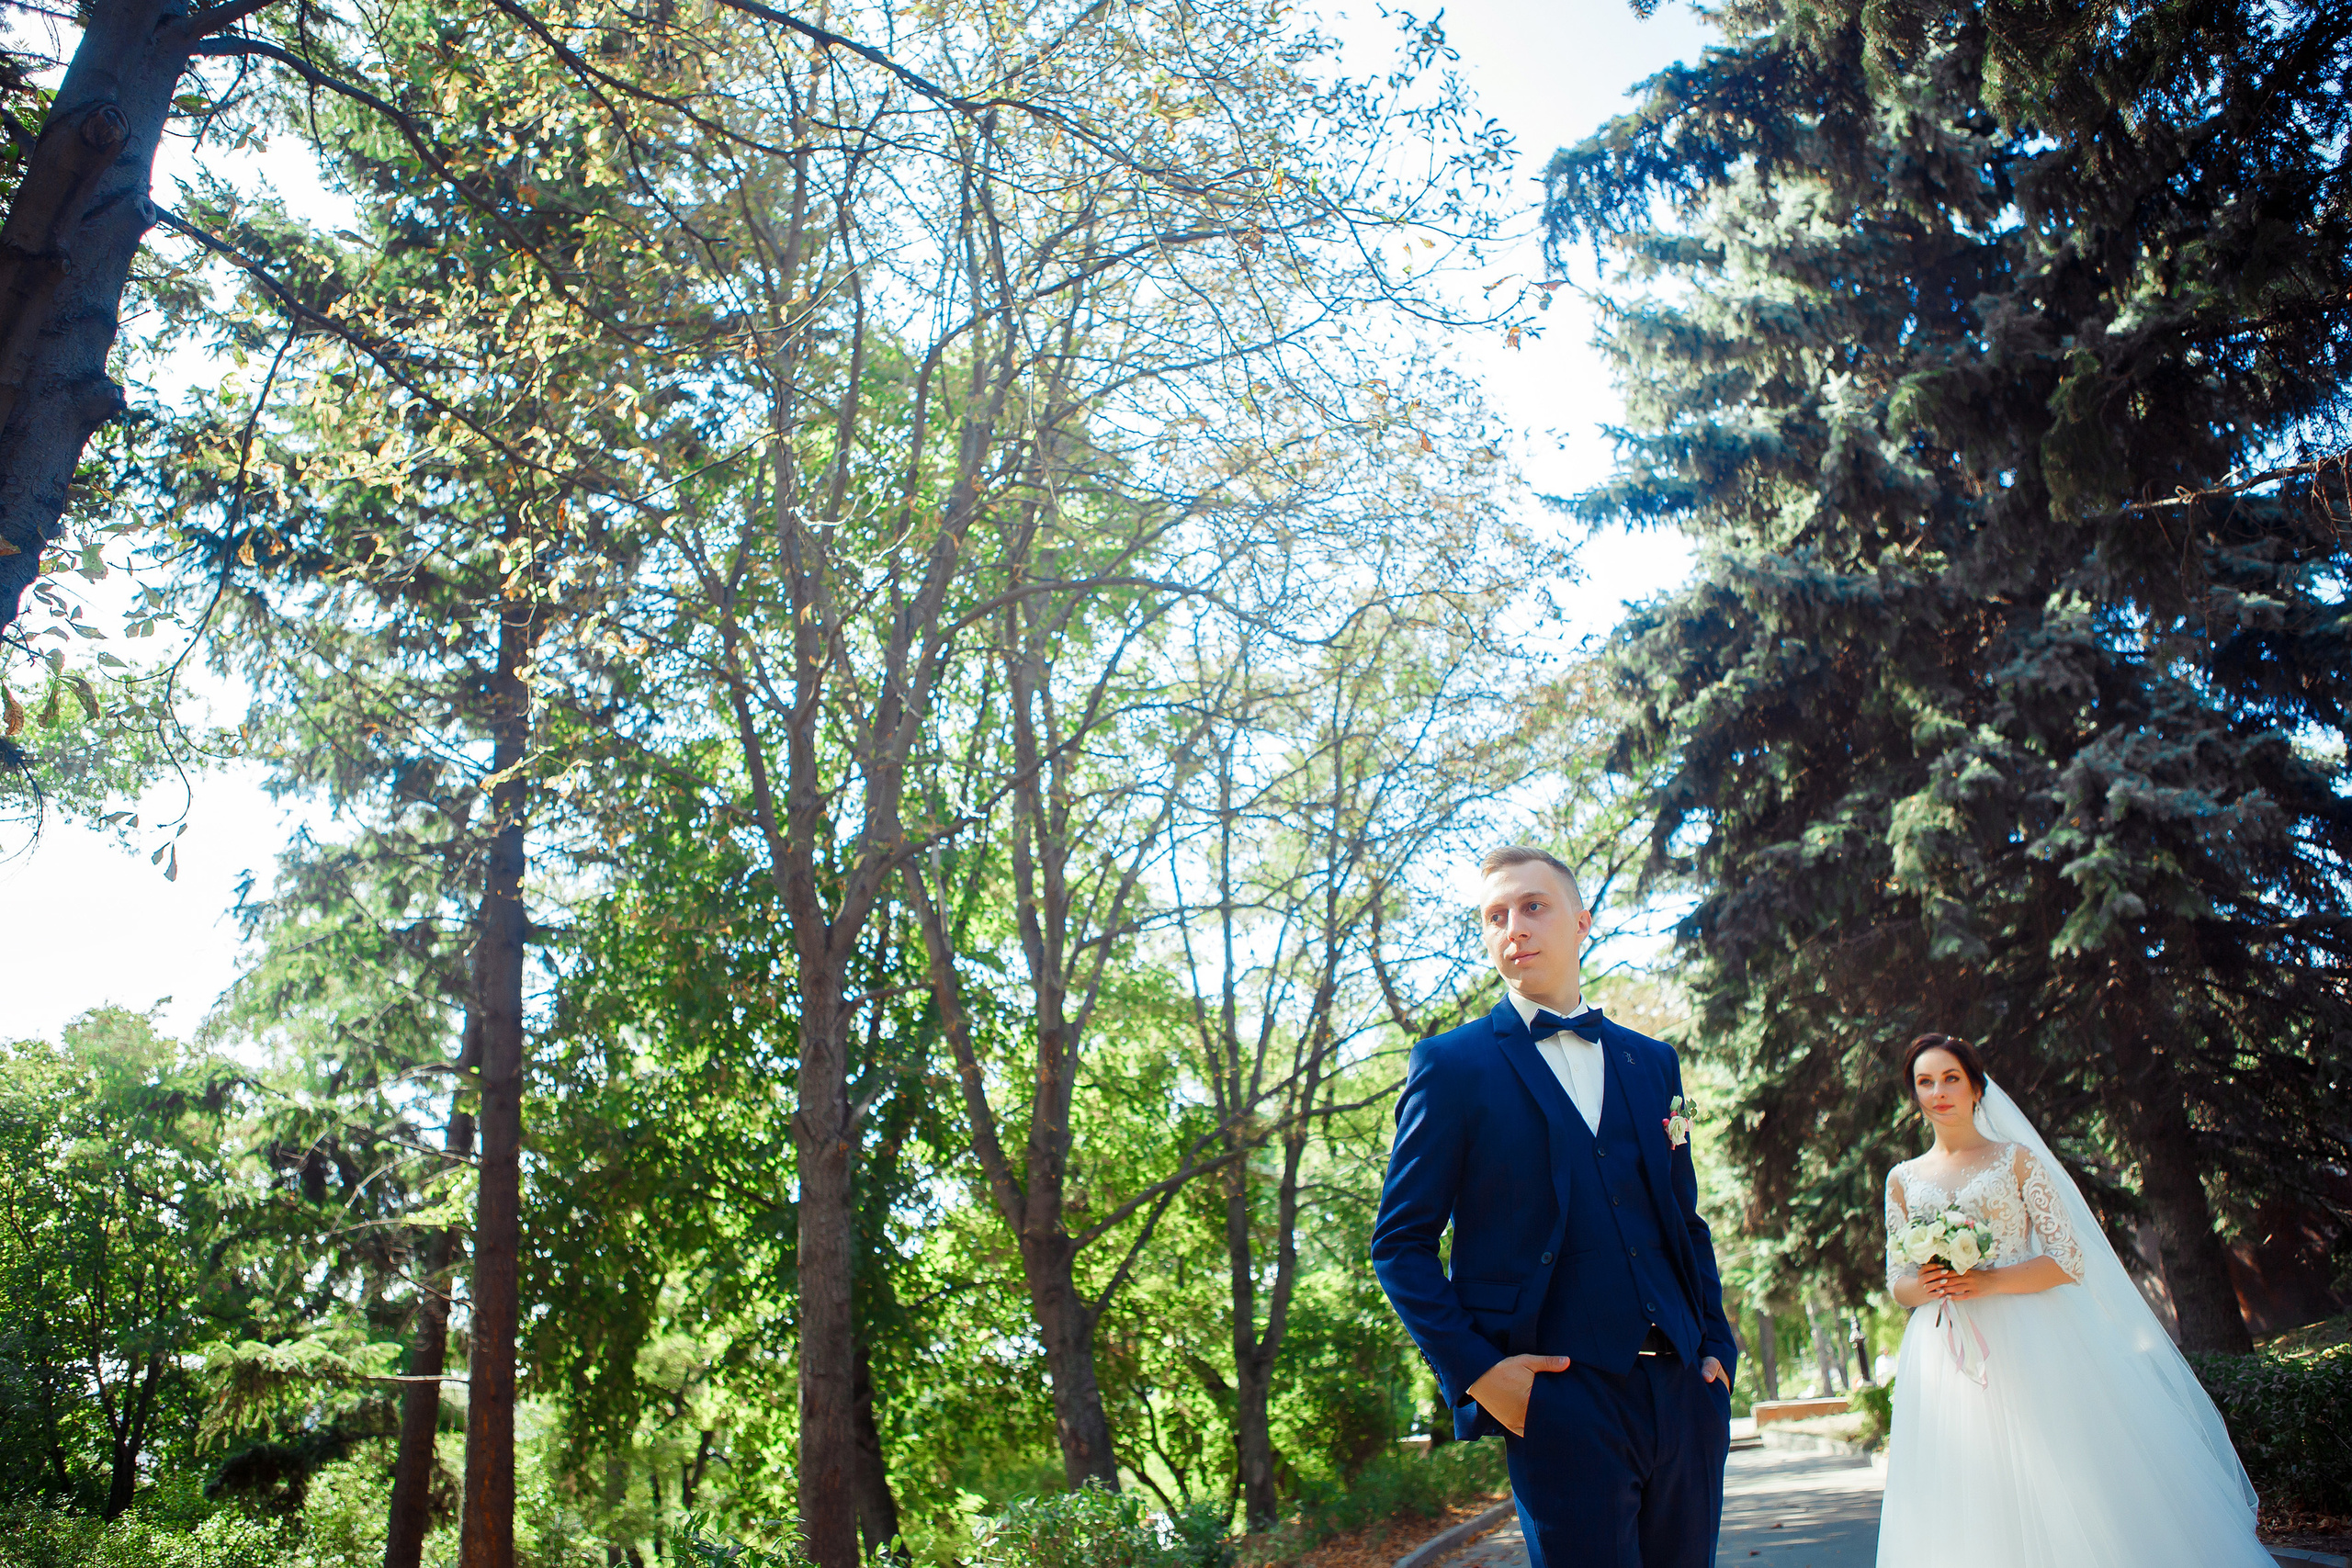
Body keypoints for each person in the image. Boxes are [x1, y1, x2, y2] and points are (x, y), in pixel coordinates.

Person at [1371, 845, 1737, 1568]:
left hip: (1683, 1392)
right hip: (1558, 1405)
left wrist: (1718, 1351)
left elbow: (1683, 1221)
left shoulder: (1652, 1061)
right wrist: (1481, 1375)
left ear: (1581, 921)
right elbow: (1399, 1245)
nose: (1515, 926)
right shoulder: (1451, 1066)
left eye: (1534, 906)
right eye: (1495, 916)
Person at [1878, 1034, 2274, 1568]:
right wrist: (1930, 1281)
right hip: (1942, 1352)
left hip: (2029, 1338)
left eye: (1950, 1078)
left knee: (2058, 1484)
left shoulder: (2015, 1161)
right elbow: (1896, 1281)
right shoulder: (1902, 1179)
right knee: (1967, 1490)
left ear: (1976, 1087)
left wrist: (1989, 1281)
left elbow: (2068, 1260)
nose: (1938, 1091)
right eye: (1925, 1082)